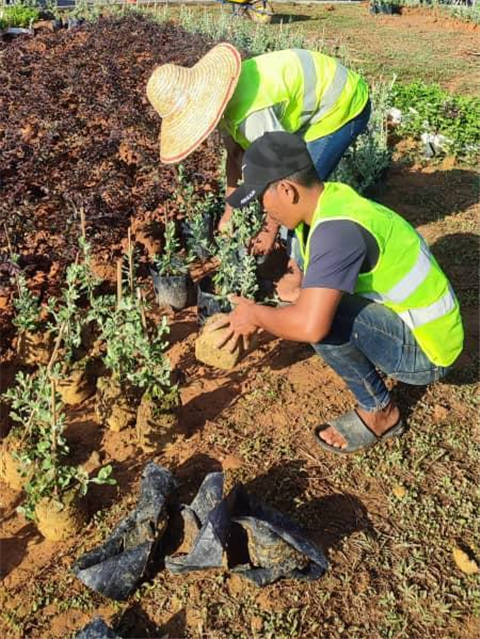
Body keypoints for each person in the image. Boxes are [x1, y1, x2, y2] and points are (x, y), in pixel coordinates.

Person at [209, 131, 464, 455]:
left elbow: (309, 325)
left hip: (429, 352)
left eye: (262, 199)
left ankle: (379, 412)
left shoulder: (336, 232)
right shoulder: (329, 201)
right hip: (422, 324)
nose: (263, 212)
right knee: (308, 305)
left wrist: (256, 314)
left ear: (286, 190)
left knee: (318, 321)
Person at [146, 43, 370, 248]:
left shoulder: (251, 117)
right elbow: (235, 156)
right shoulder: (225, 98)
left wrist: (268, 231)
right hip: (311, 104)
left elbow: (287, 174)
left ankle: (302, 266)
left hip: (341, 103)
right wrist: (229, 213)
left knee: (303, 194)